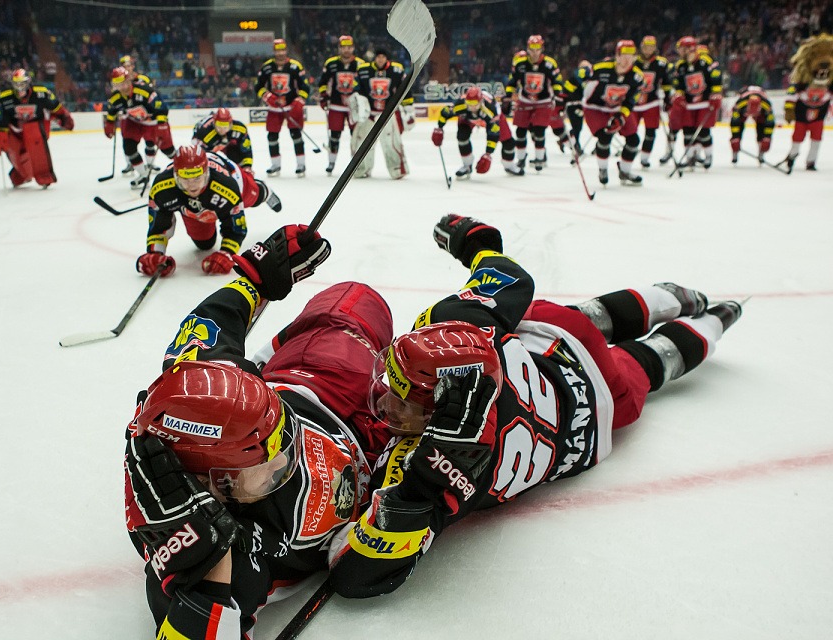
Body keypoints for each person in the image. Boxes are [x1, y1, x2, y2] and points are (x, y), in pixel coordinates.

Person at [327, 213, 744, 598]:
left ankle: (715, 321)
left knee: (648, 364)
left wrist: (415, 496)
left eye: (404, 402)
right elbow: (512, 278)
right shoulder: (459, 326)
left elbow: (355, 576)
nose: (385, 402)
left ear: (438, 415)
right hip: (561, 345)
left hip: (593, 417)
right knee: (586, 317)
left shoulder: (430, 464)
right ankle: (678, 299)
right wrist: (473, 239)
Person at [124, 224, 397, 639]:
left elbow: (210, 324)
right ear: (214, 484)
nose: (284, 463)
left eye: (283, 445)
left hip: (314, 383)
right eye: (267, 469)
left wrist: (255, 278)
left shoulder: (203, 384)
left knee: (351, 305)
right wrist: (207, 573)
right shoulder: (225, 549)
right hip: (366, 437)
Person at [137, 143, 281, 278]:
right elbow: (158, 226)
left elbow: (237, 228)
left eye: (197, 178)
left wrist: (227, 253)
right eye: (185, 179)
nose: (191, 186)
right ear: (175, 176)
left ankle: (264, 191)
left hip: (233, 177)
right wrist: (155, 254)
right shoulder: (161, 188)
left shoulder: (226, 186)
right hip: (194, 211)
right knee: (204, 244)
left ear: (206, 173)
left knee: (254, 195)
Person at [566, 40, 644, 185]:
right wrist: (563, 97)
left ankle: (625, 171)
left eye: (631, 55)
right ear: (617, 55)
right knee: (604, 136)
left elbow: (632, 99)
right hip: (595, 107)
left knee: (634, 140)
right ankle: (603, 169)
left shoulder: (637, 77)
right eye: (624, 55)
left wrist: (622, 116)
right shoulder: (601, 68)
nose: (627, 59)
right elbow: (576, 77)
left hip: (617, 108)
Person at [0, 68, 74, 188]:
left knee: (36, 147)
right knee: (15, 153)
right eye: (16, 84)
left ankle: (44, 175)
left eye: (22, 83)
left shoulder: (41, 93)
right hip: (15, 131)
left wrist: (64, 117)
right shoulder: (4, 97)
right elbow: (1, 117)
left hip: (35, 128)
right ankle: (21, 174)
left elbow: (56, 107)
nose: (19, 87)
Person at [104, 66, 177, 189]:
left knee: (168, 150)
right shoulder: (115, 97)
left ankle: (183, 166)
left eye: (124, 83)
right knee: (129, 147)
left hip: (153, 123)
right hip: (135, 122)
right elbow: (112, 110)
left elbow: (161, 107)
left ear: (129, 80)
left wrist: (161, 125)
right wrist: (109, 123)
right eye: (118, 85)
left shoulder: (144, 91)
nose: (122, 87)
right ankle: (143, 175)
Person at [504, 35, 564, 173]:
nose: (535, 52)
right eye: (532, 48)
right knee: (520, 131)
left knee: (539, 131)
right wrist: (508, 95)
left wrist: (558, 94)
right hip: (525, 100)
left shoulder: (549, 63)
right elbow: (512, 81)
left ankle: (539, 158)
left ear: (542, 48)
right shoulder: (520, 63)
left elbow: (557, 81)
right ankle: (521, 159)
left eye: (538, 49)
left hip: (543, 101)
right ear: (528, 48)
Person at [351, 48, 413, 179]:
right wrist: (357, 104)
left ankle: (397, 169)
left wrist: (408, 109)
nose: (380, 59)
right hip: (369, 114)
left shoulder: (396, 70)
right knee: (362, 142)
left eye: (383, 57)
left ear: (387, 58)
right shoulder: (363, 70)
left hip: (388, 114)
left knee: (391, 142)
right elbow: (356, 90)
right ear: (375, 58)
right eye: (378, 57)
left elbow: (405, 90)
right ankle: (362, 169)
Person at [431, 86, 516, 178]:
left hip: (492, 120)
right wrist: (439, 128)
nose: (472, 107)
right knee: (462, 136)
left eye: (474, 104)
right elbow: (445, 113)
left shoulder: (490, 110)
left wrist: (488, 154)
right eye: (469, 103)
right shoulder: (460, 105)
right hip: (468, 118)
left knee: (508, 141)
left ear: (481, 101)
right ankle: (467, 165)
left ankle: (509, 165)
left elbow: (493, 134)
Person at [255, 38, 311, 177]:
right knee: (272, 136)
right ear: (274, 51)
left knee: (296, 135)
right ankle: (275, 165)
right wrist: (267, 96)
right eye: (277, 50)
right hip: (274, 108)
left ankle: (301, 164)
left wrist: (300, 100)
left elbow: (305, 86)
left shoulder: (295, 66)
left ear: (286, 50)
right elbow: (258, 86)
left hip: (292, 106)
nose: (280, 53)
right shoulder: (267, 67)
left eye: (282, 50)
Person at [781, 33, 833, 171]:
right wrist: (789, 110)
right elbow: (791, 96)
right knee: (798, 137)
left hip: (819, 117)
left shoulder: (830, 85)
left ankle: (811, 161)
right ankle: (792, 156)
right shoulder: (801, 84)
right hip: (801, 115)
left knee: (817, 139)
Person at [669, 36, 722, 169]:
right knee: (687, 130)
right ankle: (690, 157)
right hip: (688, 104)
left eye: (682, 49)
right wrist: (679, 93)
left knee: (703, 131)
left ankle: (708, 155)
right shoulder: (680, 65)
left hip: (704, 102)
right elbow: (678, 83)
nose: (679, 52)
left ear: (690, 49)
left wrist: (716, 93)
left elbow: (716, 76)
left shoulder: (705, 60)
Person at [318, 34, 366, 175]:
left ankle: (357, 164)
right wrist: (323, 96)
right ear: (339, 48)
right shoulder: (331, 63)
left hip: (354, 106)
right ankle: (331, 162)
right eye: (344, 47)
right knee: (334, 135)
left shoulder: (361, 64)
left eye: (349, 47)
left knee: (355, 135)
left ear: (353, 48)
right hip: (336, 105)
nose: (346, 50)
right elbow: (323, 82)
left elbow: (365, 85)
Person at [634, 35, 673, 168]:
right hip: (633, 103)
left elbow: (666, 82)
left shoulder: (661, 63)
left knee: (651, 131)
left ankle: (645, 158)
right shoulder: (634, 62)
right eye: (646, 47)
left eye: (651, 47)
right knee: (630, 131)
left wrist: (667, 98)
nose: (648, 49)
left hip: (651, 103)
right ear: (642, 47)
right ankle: (629, 153)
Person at [191, 107, 254, 172]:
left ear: (231, 123)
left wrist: (247, 166)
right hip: (206, 145)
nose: (222, 130)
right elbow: (199, 154)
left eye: (225, 126)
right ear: (214, 123)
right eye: (219, 126)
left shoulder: (240, 129)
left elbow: (246, 149)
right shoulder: (205, 133)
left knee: (236, 156)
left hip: (228, 144)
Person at [729, 85, 775, 165]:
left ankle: (761, 153)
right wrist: (735, 138)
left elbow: (770, 124)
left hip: (761, 113)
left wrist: (767, 138)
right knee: (738, 126)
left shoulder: (767, 107)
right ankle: (735, 153)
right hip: (744, 107)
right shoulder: (739, 105)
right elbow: (734, 123)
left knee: (761, 128)